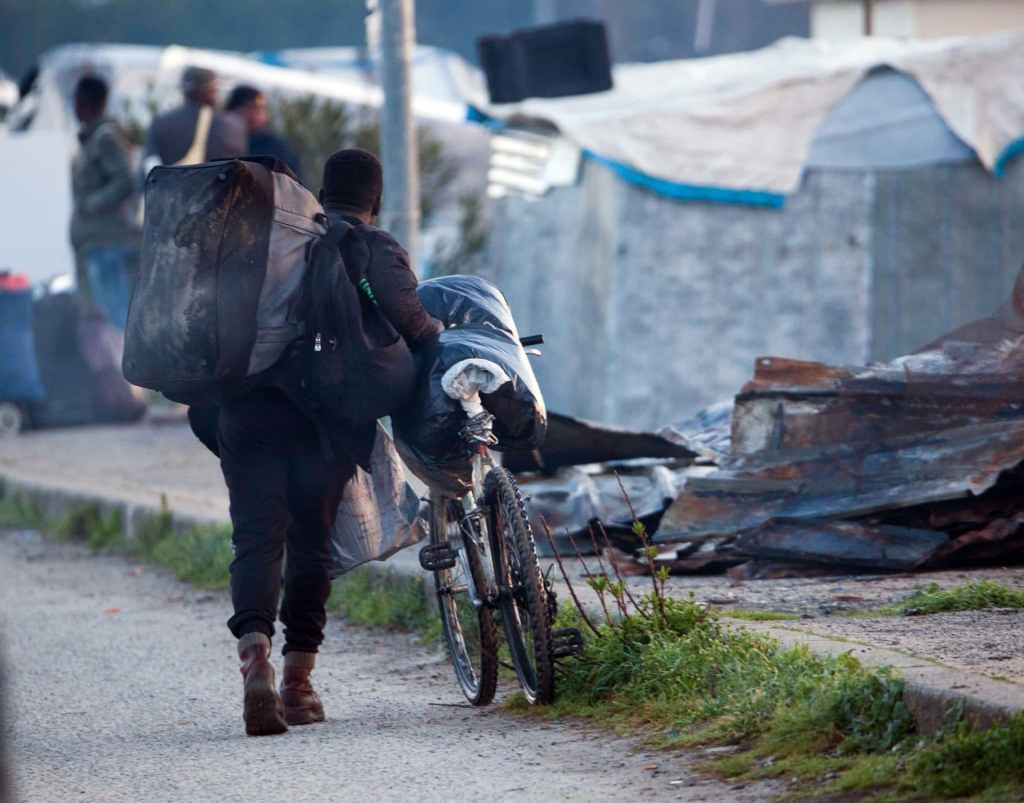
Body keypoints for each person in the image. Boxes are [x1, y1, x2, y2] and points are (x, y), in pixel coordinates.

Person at [205, 149, 442, 737]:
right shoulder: (369, 246)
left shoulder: (268, 243)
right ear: (376, 199)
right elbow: (414, 324)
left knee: (256, 538)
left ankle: (254, 659)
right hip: (324, 421)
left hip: (246, 410)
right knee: (311, 545)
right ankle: (297, 682)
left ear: (318, 189)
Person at [69, 75, 141, 328]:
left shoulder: (105, 137)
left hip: (108, 242)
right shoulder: (92, 139)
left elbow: (125, 181)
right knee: (104, 318)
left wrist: (91, 205)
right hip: (97, 244)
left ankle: (125, 368)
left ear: (84, 102)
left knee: (115, 318)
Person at [143, 66, 246, 169]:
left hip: (176, 183)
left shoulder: (161, 123)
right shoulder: (234, 124)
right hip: (225, 183)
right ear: (213, 89)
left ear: (184, 91)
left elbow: (149, 166)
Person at [225, 84, 303, 181]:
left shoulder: (276, 148)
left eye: (261, 109)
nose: (258, 114)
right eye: (252, 108)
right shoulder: (219, 138)